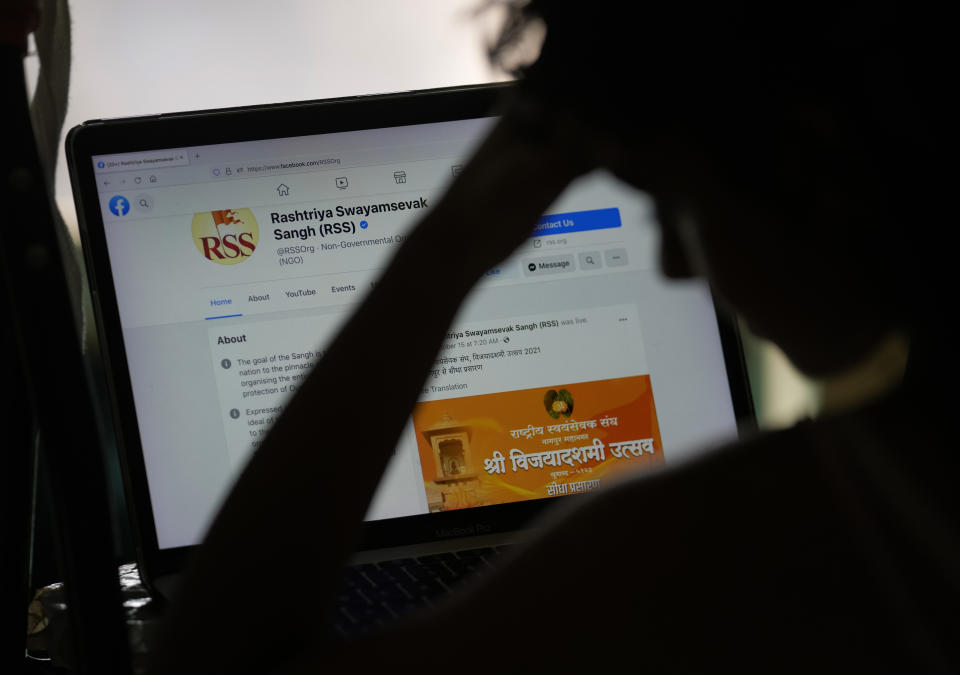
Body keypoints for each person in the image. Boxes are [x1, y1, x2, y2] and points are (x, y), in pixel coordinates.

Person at [150, 1, 957, 672]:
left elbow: (220, 656)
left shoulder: (791, 530)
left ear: (811, 164)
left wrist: (445, 249)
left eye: (678, 201)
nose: (678, 264)